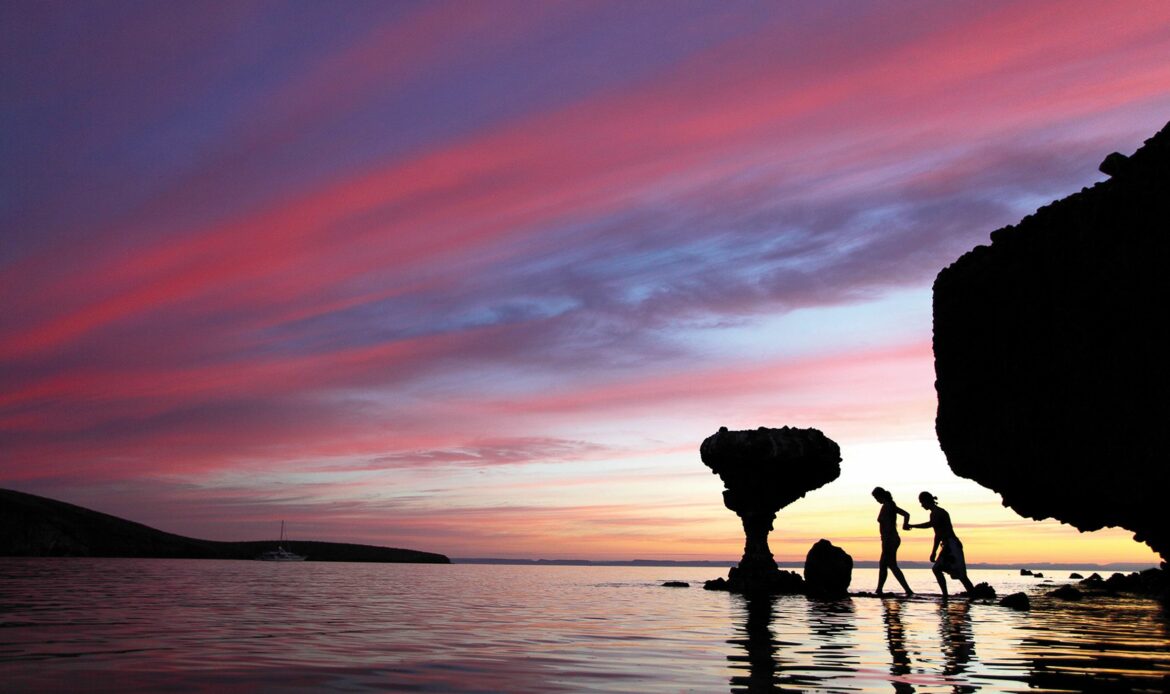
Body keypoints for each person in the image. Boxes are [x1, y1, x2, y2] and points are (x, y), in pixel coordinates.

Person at [906, 491, 975, 597]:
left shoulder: (938, 513)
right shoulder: (934, 513)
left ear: (926, 501)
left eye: (922, 502)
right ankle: (956, 595)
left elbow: (932, 527)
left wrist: (912, 526)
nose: (921, 505)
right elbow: (937, 533)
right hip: (949, 545)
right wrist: (934, 551)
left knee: (955, 573)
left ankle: (947, 595)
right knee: (955, 573)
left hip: (952, 545)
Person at [872, 487, 914, 596]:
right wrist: (905, 525)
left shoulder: (888, 506)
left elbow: (906, 514)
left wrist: (904, 525)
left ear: (880, 496)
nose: (877, 500)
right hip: (890, 539)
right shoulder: (891, 505)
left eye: (876, 498)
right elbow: (906, 514)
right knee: (884, 564)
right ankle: (879, 589)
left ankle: (908, 590)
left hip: (890, 539)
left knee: (891, 565)